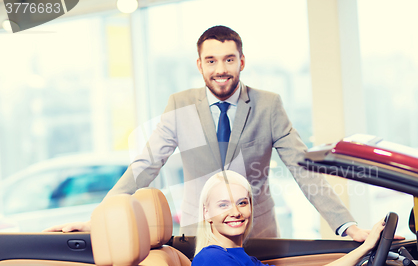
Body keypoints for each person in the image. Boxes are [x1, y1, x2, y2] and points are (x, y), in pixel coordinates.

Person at [46, 25, 371, 241]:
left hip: (258, 234)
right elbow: (145, 165)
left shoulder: (268, 105)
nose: (220, 70)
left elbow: (303, 169)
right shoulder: (180, 104)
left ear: (242, 61)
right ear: (199, 64)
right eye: (211, 60)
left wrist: (347, 225)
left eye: (229, 59)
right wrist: (101, 217)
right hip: (199, 234)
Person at [190, 171, 385, 266]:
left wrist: (365, 248)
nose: (235, 212)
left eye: (242, 203)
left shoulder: (243, 259)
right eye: (223, 205)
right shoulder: (212, 259)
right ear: (206, 213)